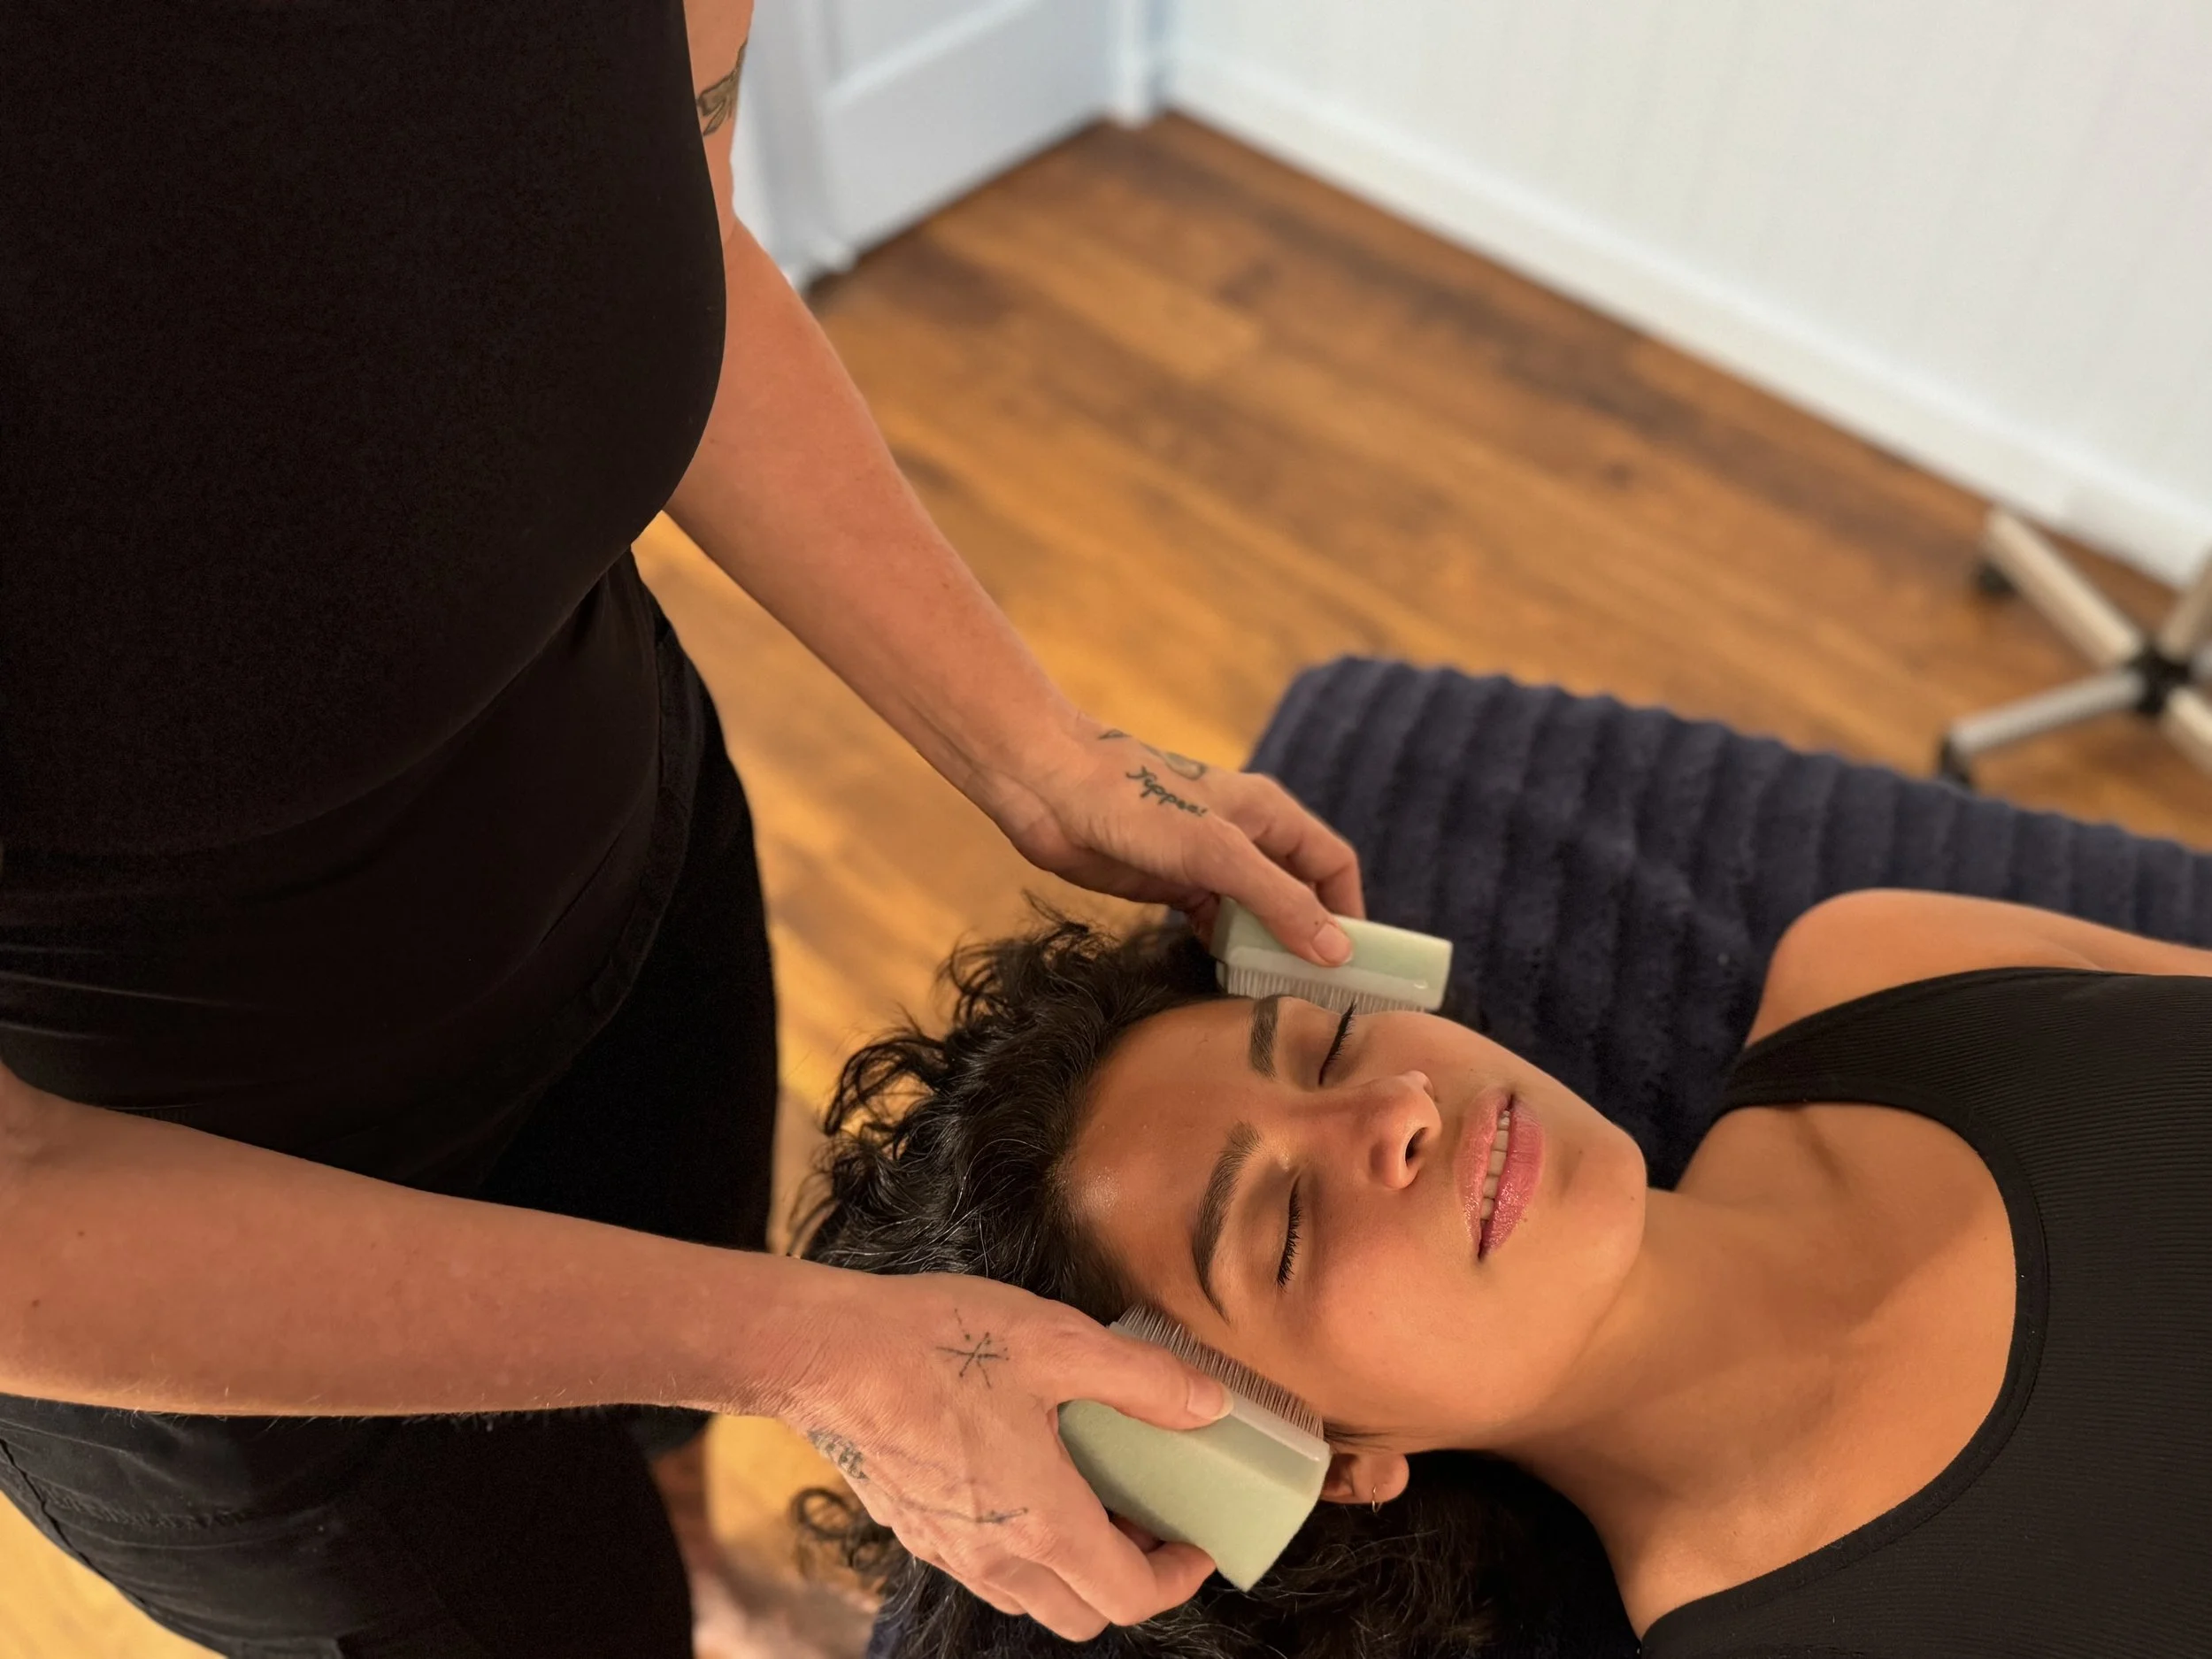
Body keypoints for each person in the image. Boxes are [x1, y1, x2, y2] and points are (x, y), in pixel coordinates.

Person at [0, 2, 1366, 1654]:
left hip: (637, 888)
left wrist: (1042, 756)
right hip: (194, 1227)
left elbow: (652, 255)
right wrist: (803, 1350)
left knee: (662, 1433)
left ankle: (703, 1577)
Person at [799, 888, 2212, 1657]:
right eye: (1283, 1227)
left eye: (1331, 1046)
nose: (1397, 1110)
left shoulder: (1885, 968)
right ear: (1296, 1462)